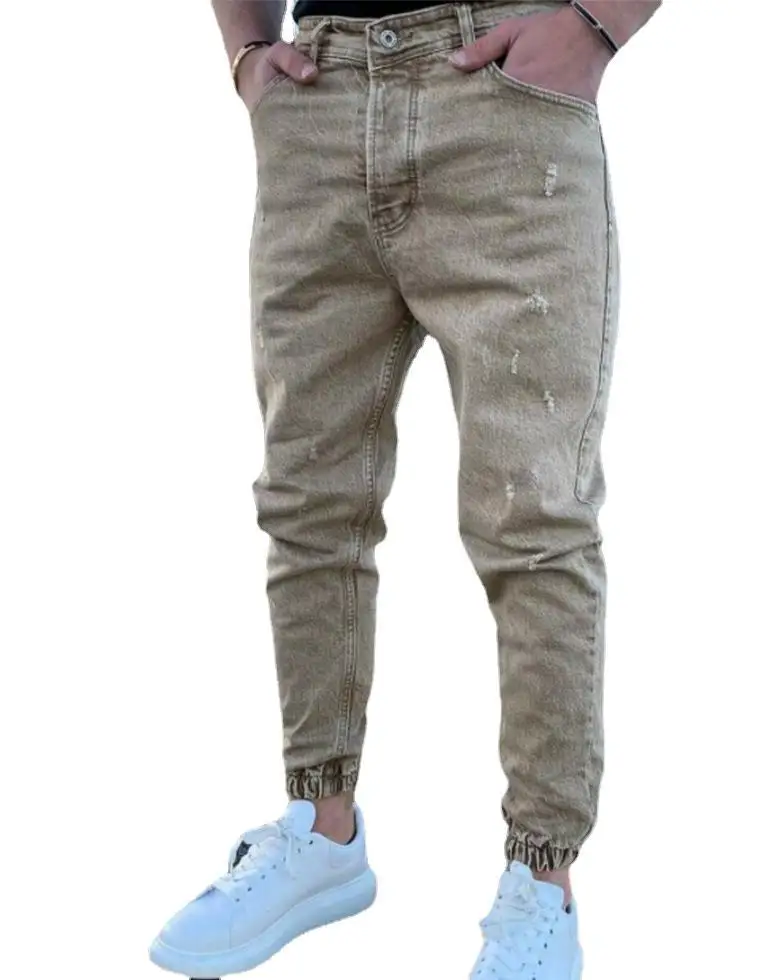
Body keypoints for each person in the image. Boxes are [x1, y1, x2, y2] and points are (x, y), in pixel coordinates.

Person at [149, 1, 661, 977]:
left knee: (532, 519)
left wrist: (600, 22)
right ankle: (322, 828)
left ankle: (543, 881)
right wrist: (246, 51)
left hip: (503, 100)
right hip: (319, 98)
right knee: (307, 501)